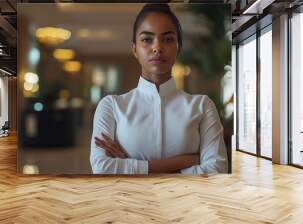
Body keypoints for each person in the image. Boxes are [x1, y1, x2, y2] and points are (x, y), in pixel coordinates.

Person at [90, 3, 228, 174]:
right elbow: (101, 169)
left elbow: (216, 171)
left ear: (179, 48)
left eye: (168, 39)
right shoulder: (111, 106)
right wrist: (183, 162)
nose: (157, 48)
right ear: (134, 49)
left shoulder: (202, 106)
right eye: (147, 39)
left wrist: (130, 166)